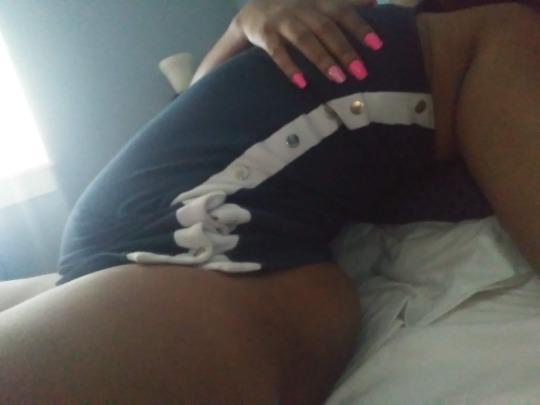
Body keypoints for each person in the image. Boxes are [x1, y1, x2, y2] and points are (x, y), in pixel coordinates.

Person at [0, 0, 538, 402]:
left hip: (203, 254)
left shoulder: (501, 35)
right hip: (110, 255)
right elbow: (199, 97)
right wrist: (242, 26)